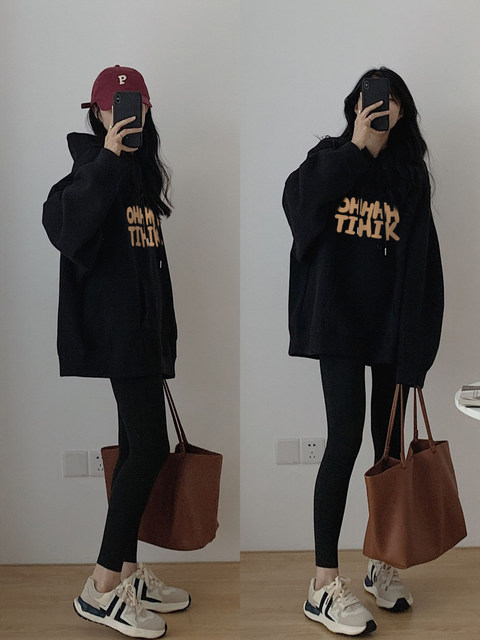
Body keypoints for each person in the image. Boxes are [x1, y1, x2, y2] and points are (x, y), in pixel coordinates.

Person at [282, 67, 444, 636]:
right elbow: (299, 213)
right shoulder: (329, 158)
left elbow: (425, 266)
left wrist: (417, 352)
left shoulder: (409, 177)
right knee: (344, 441)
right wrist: (357, 147)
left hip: (390, 331)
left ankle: (381, 562)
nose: (383, 107)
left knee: (388, 449)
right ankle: (323, 585)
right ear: (355, 106)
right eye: (374, 98)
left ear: (403, 112)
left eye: (393, 100)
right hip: (338, 327)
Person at [43, 65, 190, 639]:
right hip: (116, 335)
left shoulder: (140, 177)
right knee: (150, 448)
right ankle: (101, 587)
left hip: (143, 337)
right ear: (99, 114)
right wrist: (107, 157)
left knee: (136, 447)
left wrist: (164, 334)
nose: (130, 114)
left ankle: (127, 572)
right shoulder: (89, 170)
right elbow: (64, 228)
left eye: (139, 105)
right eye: (117, 105)